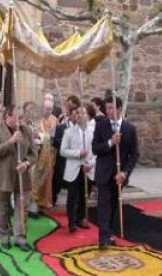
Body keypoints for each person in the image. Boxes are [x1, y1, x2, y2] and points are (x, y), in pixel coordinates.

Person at [92, 96, 139, 249]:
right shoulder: (101, 126)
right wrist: (110, 142)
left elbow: (135, 154)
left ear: (119, 108)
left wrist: (125, 173)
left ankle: (110, 232)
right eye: (107, 108)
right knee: (103, 205)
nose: (108, 111)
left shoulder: (129, 129)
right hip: (103, 173)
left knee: (113, 205)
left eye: (111, 108)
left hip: (119, 175)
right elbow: (95, 148)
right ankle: (103, 238)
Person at [0, 105, 37, 250]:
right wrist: (10, 141)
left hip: (22, 176)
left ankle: (20, 237)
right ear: (7, 116)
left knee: (21, 207)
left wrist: (26, 163)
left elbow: (33, 153)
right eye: (15, 116)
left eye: (20, 117)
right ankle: (4, 236)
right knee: (2, 209)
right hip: (2, 176)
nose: (18, 120)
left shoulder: (26, 130)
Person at [60, 107, 95, 233]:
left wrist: (91, 163)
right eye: (78, 113)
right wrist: (78, 153)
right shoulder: (69, 132)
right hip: (74, 168)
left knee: (85, 195)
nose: (80, 115)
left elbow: (96, 150)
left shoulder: (93, 132)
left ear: (87, 116)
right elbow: (63, 151)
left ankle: (81, 218)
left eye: (83, 113)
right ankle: (71, 222)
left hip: (87, 168)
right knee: (72, 196)